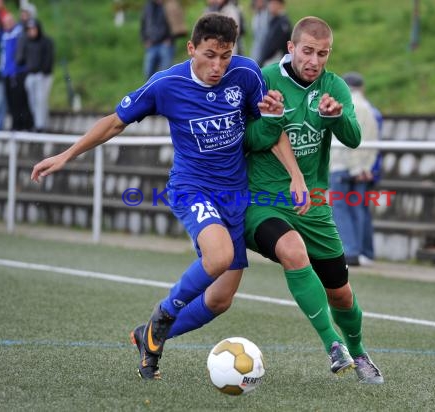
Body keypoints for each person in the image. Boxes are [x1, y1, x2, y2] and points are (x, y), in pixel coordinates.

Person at [31, 13, 290, 380]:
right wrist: (65, 155)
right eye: (210, 54)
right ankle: (164, 314)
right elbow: (115, 121)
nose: (218, 65)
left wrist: (292, 169)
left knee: (219, 300)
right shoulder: (166, 84)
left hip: (235, 193)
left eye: (226, 55)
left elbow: (266, 127)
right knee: (219, 257)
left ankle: (147, 335)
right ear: (191, 48)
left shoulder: (247, 74)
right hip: (191, 188)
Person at [217, 16, 382, 383]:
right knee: (292, 250)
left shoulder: (333, 86)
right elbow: (250, 140)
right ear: (291, 48)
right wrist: (273, 119)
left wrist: (336, 118)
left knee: (341, 295)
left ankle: (358, 351)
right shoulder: (265, 79)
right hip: (263, 201)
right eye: (307, 51)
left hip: (314, 205)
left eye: (322, 54)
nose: (314, 60)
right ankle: (333, 345)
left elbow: (354, 139)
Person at [329, 72, 379, 267]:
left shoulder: (348, 105)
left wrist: (356, 167)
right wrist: (365, 167)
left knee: (340, 208)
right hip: (362, 166)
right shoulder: (369, 108)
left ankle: (351, 250)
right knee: (360, 208)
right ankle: (366, 251)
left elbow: (348, 137)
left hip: (343, 165)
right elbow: (373, 141)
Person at [16, 18, 54, 132]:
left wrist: (44, 71)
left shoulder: (46, 41)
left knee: (41, 100)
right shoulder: (26, 42)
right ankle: (38, 123)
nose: (31, 31)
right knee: (33, 101)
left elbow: (48, 59)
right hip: (30, 75)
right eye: (29, 29)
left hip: (42, 75)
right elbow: (20, 59)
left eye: (33, 29)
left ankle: (41, 125)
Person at [0, 13, 34, 131]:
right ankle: (16, 124)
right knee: (11, 102)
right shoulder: (4, 36)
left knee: (21, 99)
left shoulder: (19, 34)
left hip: (19, 72)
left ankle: (26, 124)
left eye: (9, 22)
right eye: (5, 23)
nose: (7, 24)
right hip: (7, 74)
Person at [140, 0, 175, 79]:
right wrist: (144, 40)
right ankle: (151, 90)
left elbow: (176, 23)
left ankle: (163, 91)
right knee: (148, 72)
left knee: (165, 74)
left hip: (166, 44)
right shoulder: (148, 7)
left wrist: (170, 39)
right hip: (151, 44)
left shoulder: (170, 5)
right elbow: (143, 24)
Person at [257, 0, 291, 67]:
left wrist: (264, 58)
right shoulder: (274, 20)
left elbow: (275, 46)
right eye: (270, 3)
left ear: (281, 5)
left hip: (276, 63)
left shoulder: (283, 23)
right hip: (269, 61)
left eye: (274, 3)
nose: (271, 6)